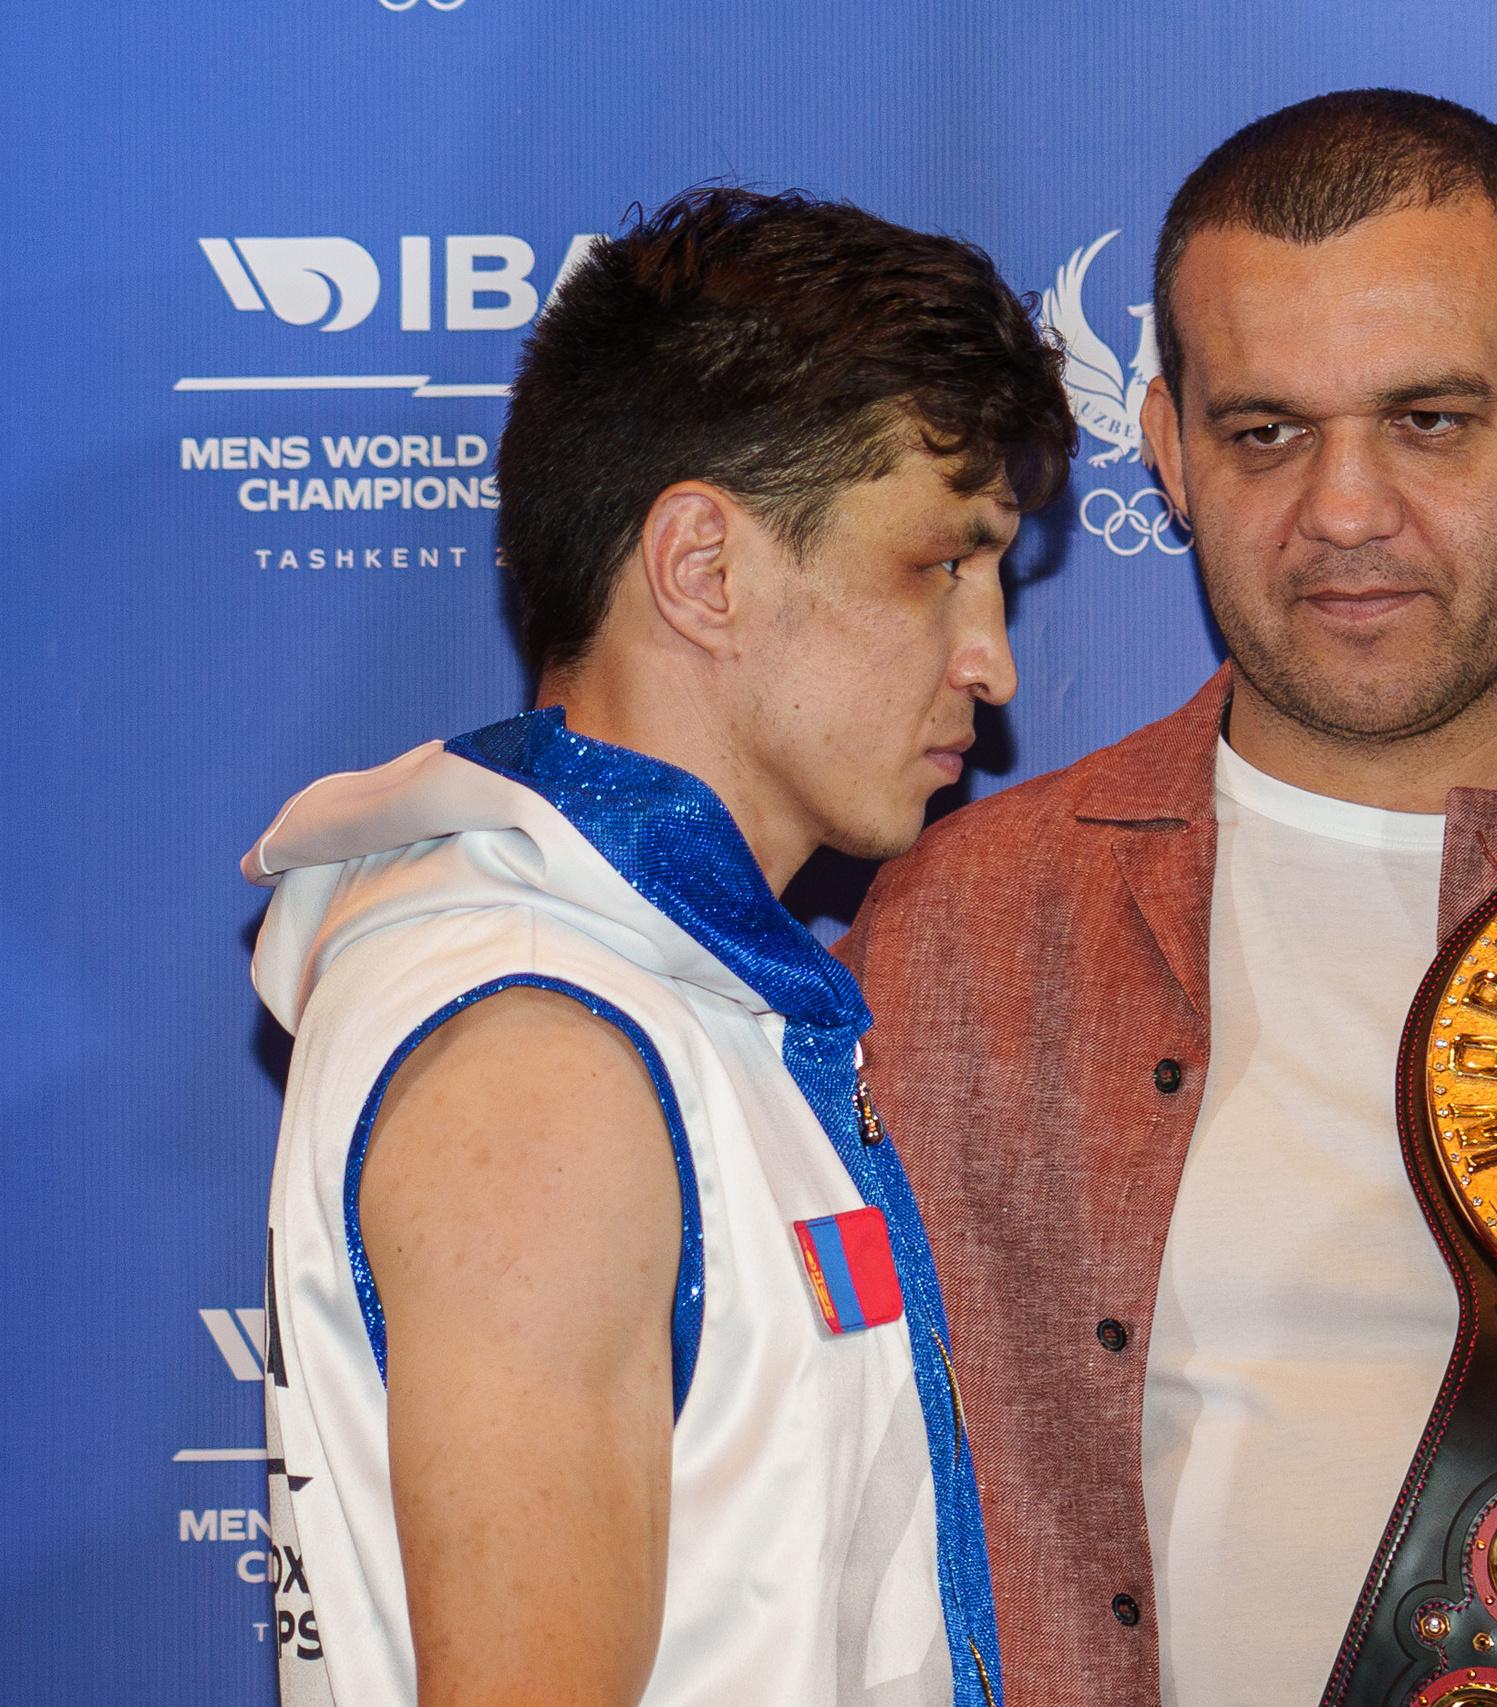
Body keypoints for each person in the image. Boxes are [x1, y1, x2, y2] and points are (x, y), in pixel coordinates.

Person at [244, 187, 1074, 1707]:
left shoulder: (666, 992)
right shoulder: (543, 1052)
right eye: (935, 567)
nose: (992, 660)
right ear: (703, 568)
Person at [837, 90, 1497, 1707]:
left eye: (1430, 419)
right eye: (1268, 432)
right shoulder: (962, 929)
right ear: (1170, 451)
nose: (1343, 509)